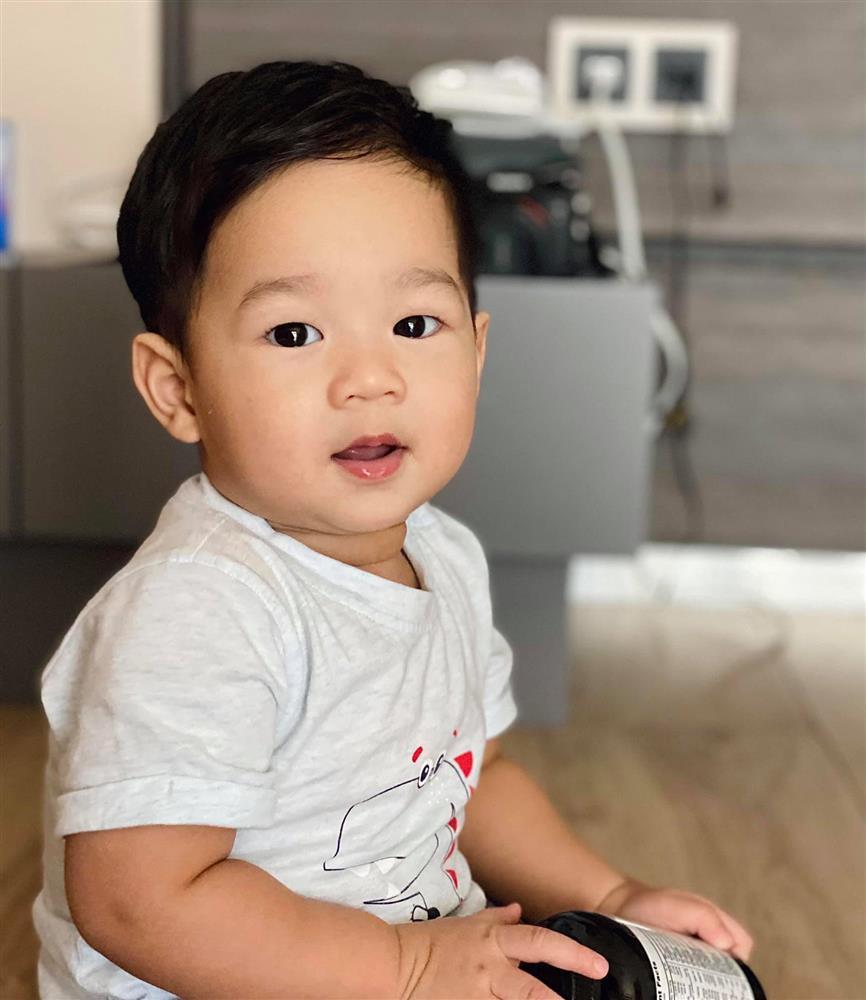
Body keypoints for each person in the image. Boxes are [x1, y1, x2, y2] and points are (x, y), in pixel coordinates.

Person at [31, 60, 753, 999]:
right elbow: (138, 902)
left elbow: (471, 776)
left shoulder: (443, 555)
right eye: (295, 334)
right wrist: (407, 967)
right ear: (179, 389)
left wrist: (608, 896)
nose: (371, 379)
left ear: (477, 351)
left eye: (415, 323)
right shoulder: (201, 609)